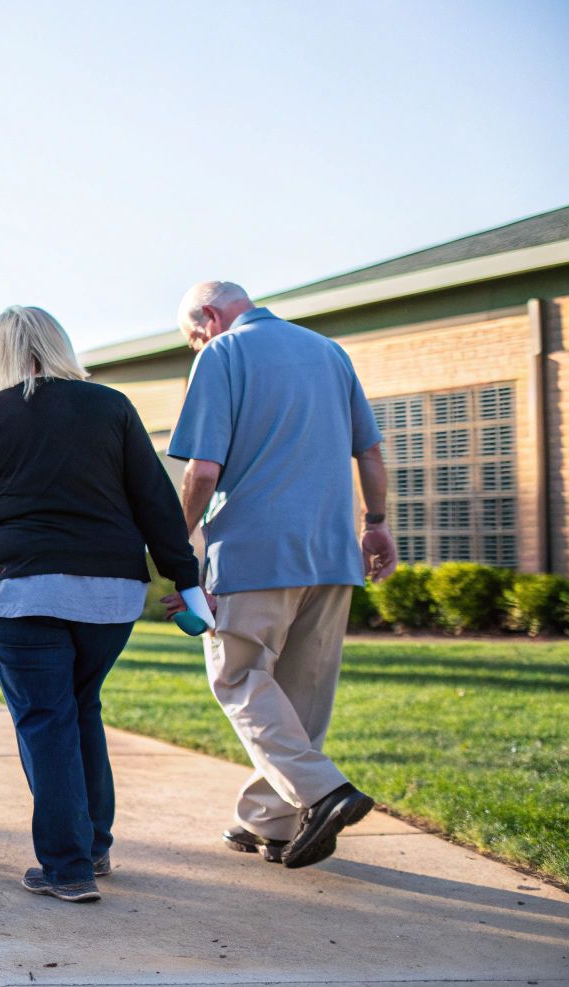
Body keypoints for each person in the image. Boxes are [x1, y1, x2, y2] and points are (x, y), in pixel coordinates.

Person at [0, 306, 201, 903]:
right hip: (109, 593)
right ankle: (93, 846)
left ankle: (66, 867)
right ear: (59, 345)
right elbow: (155, 500)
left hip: (19, 589)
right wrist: (185, 579)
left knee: (44, 719)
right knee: (79, 708)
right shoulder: (111, 407)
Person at [164, 281, 397, 870]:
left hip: (254, 552)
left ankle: (325, 793)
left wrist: (174, 540)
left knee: (239, 676)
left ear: (209, 317)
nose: (196, 346)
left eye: (192, 337)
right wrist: (376, 524)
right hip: (333, 554)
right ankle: (270, 821)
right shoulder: (329, 352)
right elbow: (370, 453)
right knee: (301, 693)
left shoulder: (222, 353)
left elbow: (202, 471)